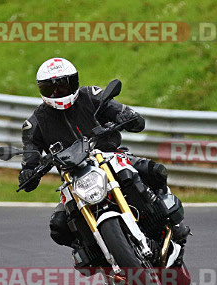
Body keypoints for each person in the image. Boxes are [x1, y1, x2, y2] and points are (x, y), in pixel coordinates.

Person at [19, 57, 190, 255]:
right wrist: (28, 173)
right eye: (52, 89)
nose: (59, 92)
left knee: (153, 171)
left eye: (64, 85)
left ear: (74, 82)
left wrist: (127, 116)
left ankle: (171, 220)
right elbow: (29, 158)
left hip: (109, 157)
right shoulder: (35, 123)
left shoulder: (91, 95)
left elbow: (129, 116)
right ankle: (93, 252)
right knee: (59, 227)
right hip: (73, 177)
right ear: (42, 90)